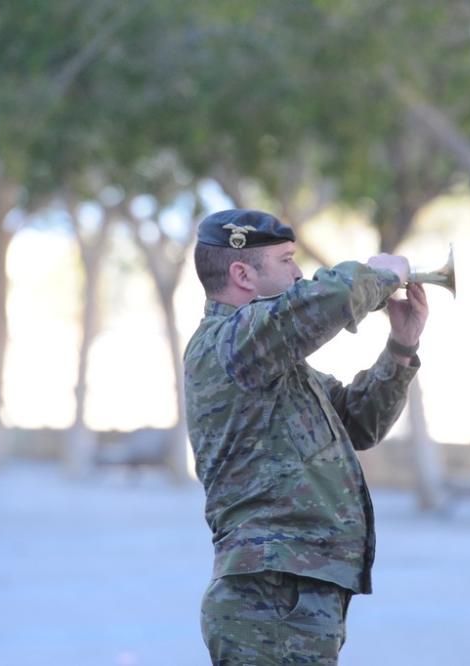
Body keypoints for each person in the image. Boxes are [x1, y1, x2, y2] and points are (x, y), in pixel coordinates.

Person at [184, 208, 429, 665]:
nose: (298, 272)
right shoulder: (230, 344)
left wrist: (401, 346)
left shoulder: (269, 361)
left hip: (290, 596)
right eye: (286, 260)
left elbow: (360, 422)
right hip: (270, 598)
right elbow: (324, 299)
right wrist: (378, 277)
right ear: (242, 274)